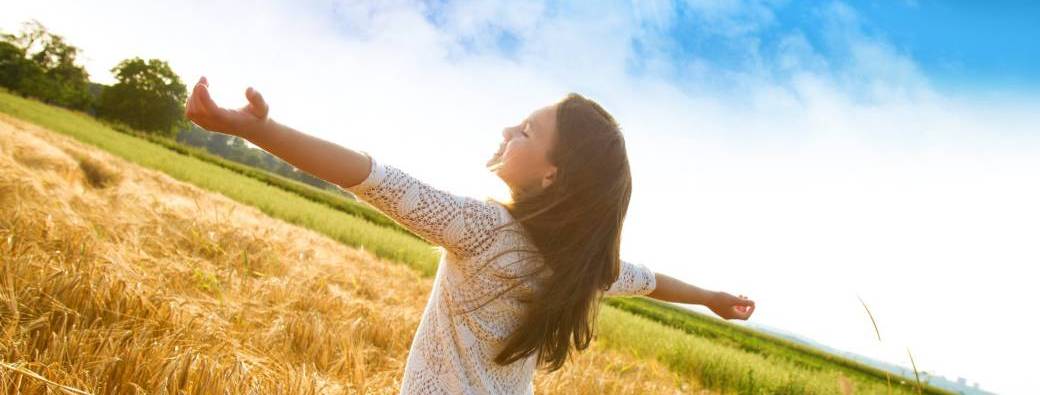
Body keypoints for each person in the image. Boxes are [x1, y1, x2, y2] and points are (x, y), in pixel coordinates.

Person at [185, 77, 755, 394]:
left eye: (527, 131)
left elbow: (370, 176)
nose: (509, 129)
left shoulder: (482, 229)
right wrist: (711, 299)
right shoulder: (580, 264)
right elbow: (650, 281)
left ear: (551, 174)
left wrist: (263, 132)